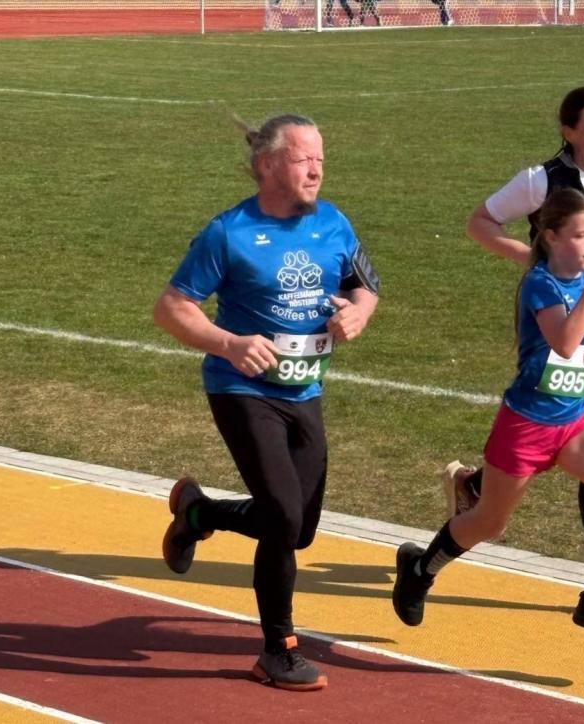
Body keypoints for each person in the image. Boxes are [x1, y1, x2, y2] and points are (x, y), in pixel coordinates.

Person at [154, 114, 379, 692]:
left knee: (298, 529)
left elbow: (365, 285)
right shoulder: (228, 233)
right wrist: (229, 344)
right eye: (304, 159)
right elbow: (171, 307)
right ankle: (278, 649)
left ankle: (199, 514)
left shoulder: (333, 223)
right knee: (282, 516)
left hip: (305, 390)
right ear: (268, 165)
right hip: (243, 389)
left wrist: (358, 312)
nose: (317, 170)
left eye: (321, 158)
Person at [444, 85, 584, 622]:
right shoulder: (541, 180)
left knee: (579, 432)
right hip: (556, 320)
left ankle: (475, 485)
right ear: (569, 132)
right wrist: (534, 261)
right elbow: (480, 223)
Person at [394, 188, 584, 640]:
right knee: (489, 522)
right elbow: (565, 341)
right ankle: (420, 568)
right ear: (550, 237)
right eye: (581, 235)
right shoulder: (541, 284)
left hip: (575, 420)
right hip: (528, 424)